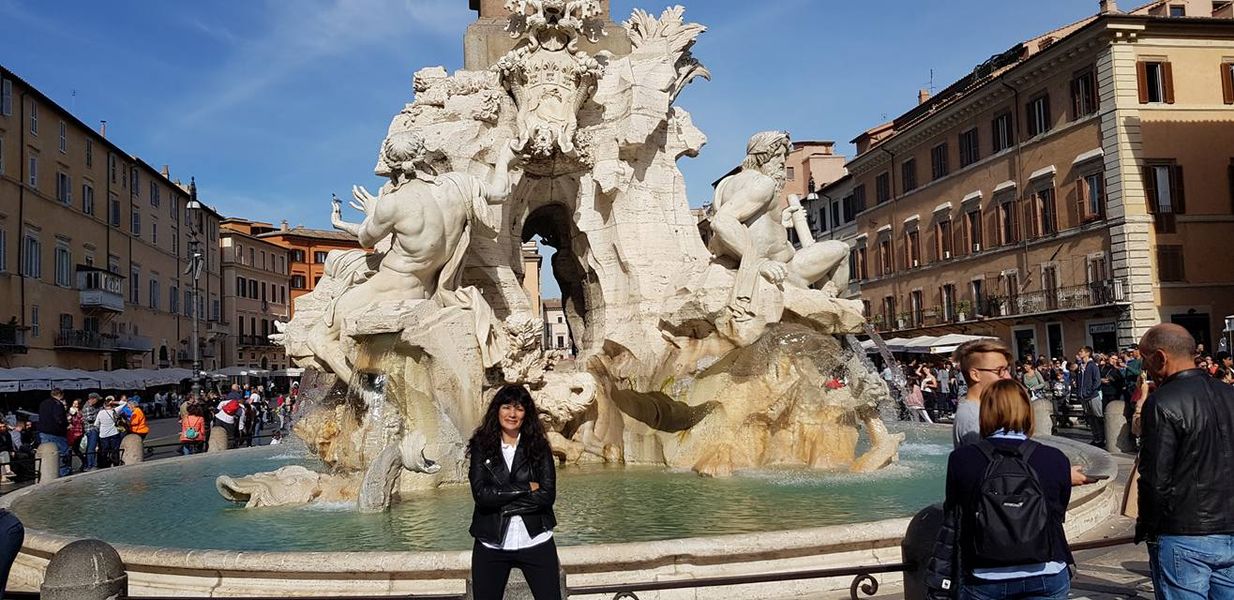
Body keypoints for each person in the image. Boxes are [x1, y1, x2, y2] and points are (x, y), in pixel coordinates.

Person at [942, 379, 1075, 599]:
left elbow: (954, 510)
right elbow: (1058, 511)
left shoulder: (961, 459)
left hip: (983, 574)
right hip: (1047, 570)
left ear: (985, 412)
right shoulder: (1055, 458)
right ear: (1028, 410)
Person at [1135, 324, 1234, 597]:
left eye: (1145, 359)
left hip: (1183, 532)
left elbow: (1155, 478)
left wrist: (1147, 525)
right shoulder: (1229, 394)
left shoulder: (1162, 402)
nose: (1145, 368)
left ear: (1160, 357)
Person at [467, 385, 561, 600]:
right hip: (491, 542)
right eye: (507, 407)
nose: (512, 414)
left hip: (536, 540)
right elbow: (481, 495)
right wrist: (526, 487)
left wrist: (501, 503)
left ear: (526, 414)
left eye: (519, 408)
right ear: (497, 410)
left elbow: (547, 495)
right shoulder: (481, 446)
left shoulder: (539, 447)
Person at [952, 339, 1014, 448]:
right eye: (1000, 370)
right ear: (975, 375)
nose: (1008, 377)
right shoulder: (974, 419)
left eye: (1007, 369)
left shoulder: (982, 410)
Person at [36, 388, 71, 477]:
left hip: (43, 432)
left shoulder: (43, 403)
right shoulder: (58, 404)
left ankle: (47, 474)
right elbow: (59, 418)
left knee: (47, 454)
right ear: (60, 395)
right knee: (63, 453)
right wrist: (66, 424)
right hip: (57, 433)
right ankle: (63, 473)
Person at [1075, 347, 1103, 447]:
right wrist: (1079, 392)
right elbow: (1078, 381)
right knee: (1090, 418)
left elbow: (1097, 381)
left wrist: (1089, 391)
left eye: (1081, 351)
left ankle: (1102, 438)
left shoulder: (1093, 366)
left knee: (1098, 417)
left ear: (1087, 353)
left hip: (1092, 396)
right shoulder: (1080, 366)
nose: (1079, 353)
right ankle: (1096, 438)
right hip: (1083, 397)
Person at [94, 397, 124, 468]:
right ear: (111, 404)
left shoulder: (100, 413)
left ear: (104, 405)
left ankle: (105, 465)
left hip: (104, 435)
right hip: (114, 433)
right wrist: (114, 402)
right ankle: (116, 464)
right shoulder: (115, 410)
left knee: (105, 451)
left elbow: (96, 424)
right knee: (115, 450)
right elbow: (124, 403)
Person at [82, 393, 101, 471]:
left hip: (93, 429)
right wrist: (99, 415)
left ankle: (89, 464)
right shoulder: (87, 407)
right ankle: (91, 465)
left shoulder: (94, 407)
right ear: (93, 399)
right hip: (91, 429)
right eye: (97, 399)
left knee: (91, 447)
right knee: (91, 447)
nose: (97, 401)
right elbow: (89, 419)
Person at [66, 399, 87, 472]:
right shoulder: (69, 412)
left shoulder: (80, 413)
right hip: (70, 432)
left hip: (78, 433)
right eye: (73, 403)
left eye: (76, 404)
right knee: (69, 449)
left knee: (75, 449)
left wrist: (76, 414)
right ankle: (69, 466)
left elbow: (81, 421)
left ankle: (84, 461)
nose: (75, 405)